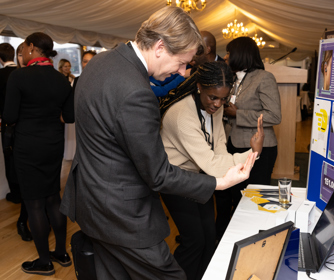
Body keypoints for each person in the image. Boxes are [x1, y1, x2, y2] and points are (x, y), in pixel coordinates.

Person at [59, 6, 257, 280]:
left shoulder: (101, 62)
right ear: (160, 46)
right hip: (123, 214)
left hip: (91, 203)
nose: (184, 72)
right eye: (181, 62)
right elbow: (158, 174)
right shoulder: (136, 92)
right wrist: (218, 183)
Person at [160, 61, 264, 280]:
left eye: (224, 99)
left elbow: (219, 151)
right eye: (213, 97)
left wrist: (252, 153)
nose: (218, 104)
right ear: (199, 86)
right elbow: (212, 164)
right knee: (194, 241)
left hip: (199, 176)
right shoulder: (181, 115)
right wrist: (251, 153)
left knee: (209, 238)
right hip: (176, 179)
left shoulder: (213, 108)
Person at [3, 32, 74, 276]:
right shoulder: (61, 79)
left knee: (34, 204)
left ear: (32, 47)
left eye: (23, 48)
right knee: (53, 198)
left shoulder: (19, 76)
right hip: (53, 144)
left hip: (28, 146)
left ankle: (44, 261)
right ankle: (62, 253)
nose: (21, 52)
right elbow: (70, 116)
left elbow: (10, 117)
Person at [217, 36, 282, 241]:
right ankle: (229, 237)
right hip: (233, 145)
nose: (226, 57)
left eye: (229, 52)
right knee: (233, 195)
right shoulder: (234, 78)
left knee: (253, 199)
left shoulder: (264, 77)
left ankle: (254, 239)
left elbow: (274, 115)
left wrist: (239, 114)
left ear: (241, 54)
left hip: (259, 148)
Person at [0, 43, 32, 242]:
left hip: (16, 131)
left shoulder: (19, 78)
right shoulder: (21, 76)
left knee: (11, 161)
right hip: (30, 137)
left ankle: (17, 195)